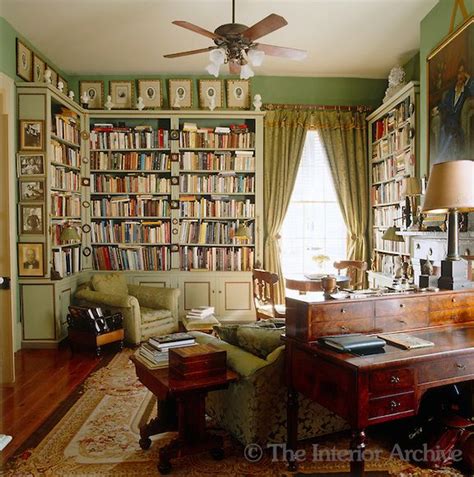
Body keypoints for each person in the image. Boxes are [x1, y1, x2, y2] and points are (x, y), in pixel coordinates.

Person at [432, 60, 474, 163]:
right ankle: (442, 159)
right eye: (459, 73)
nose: (460, 76)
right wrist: (436, 110)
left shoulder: (467, 91)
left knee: (451, 133)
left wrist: (469, 79)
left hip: (457, 122)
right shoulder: (450, 92)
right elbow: (444, 104)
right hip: (448, 121)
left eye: (462, 73)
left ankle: (441, 160)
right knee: (444, 130)